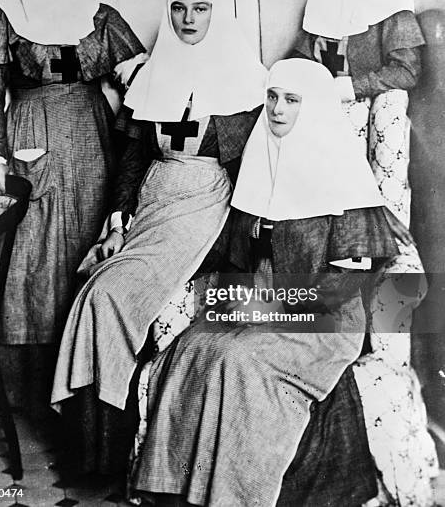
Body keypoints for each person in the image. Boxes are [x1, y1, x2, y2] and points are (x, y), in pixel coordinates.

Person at [131, 59, 398, 507]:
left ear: (312, 108)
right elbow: (231, 258)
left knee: (237, 357)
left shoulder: (343, 180)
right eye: (272, 96)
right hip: (257, 306)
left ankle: (236, 496)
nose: (276, 109)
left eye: (291, 100)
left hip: (323, 322)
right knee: (194, 347)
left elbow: (347, 287)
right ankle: (178, 492)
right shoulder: (258, 163)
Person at [51, 0, 267, 476]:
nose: (188, 20)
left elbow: (249, 173)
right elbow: (132, 157)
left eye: (200, 8)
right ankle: (95, 453)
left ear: (218, 16)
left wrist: (247, 242)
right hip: (152, 201)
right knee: (91, 291)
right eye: (179, 9)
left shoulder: (244, 80)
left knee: (110, 295)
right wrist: (117, 218)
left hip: (204, 204)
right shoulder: (152, 75)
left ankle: (109, 445)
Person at [0, 0, 146, 417]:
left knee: (89, 239)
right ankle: (31, 394)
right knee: (33, 253)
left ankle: (86, 385)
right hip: (30, 140)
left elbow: (140, 76)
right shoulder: (3, 18)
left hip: (91, 140)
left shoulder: (100, 17)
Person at [293, 0, 438, 504]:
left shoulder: (391, 5)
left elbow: (409, 70)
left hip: (369, 141)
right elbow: (302, 68)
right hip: (325, 145)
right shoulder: (320, 3)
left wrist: (348, 89)